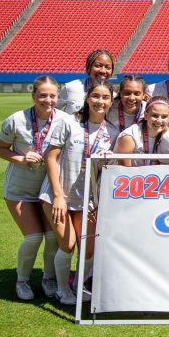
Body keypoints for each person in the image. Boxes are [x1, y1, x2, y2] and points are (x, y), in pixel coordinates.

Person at [39, 83, 119, 305]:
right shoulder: (68, 123)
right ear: (87, 98)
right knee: (68, 243)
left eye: (105, 98)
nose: (99, 102)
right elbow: (50, 157)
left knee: (89, 246)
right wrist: (57, 196)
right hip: (58, 195)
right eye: (95, 96)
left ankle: (77, 286)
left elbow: (110, 168)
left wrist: (108, 158)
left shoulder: (112, 132)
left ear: (111, 102)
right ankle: (62, 290)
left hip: (87, 198)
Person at [0, 76, 68, 301]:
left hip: (47, 189)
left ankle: (48, 278)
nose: (48, 100)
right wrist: (21, 158)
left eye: (52, 95)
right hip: (20, 189)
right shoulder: (16, 120)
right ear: (33, 95)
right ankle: (22, 281)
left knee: (53, 236)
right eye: (43, 95)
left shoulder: (65, 120)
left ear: (58, 97)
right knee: (34, 237)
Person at [114, 96, 169, 167]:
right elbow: (125, 171)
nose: (159, 121)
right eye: (155, 115)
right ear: (146, 115)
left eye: (164, 117)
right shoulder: (129, 136)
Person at [58, 49, 114, 114]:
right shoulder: (71, 87)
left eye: (108, 67)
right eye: (98, 66)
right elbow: (52, 111)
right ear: (88, 67)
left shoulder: (112, 96)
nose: (103, 71)